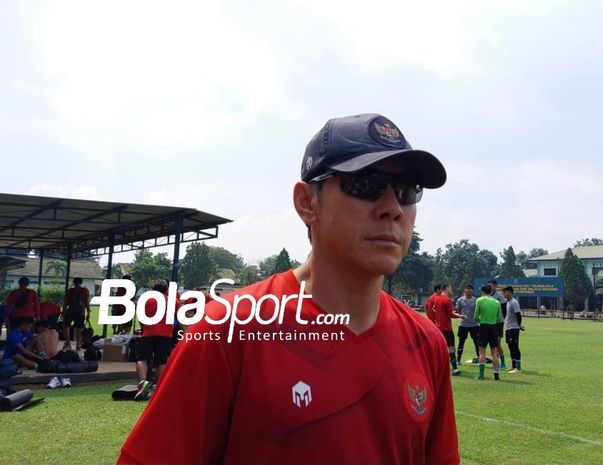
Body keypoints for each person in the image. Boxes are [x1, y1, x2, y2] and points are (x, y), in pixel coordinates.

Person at [118, 113, 458, 464]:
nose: (392, 208)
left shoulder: (426, 343)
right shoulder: (229, 330)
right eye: (365, 183)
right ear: (307, 202)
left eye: (407, 190)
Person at [133, 279, 178, 400]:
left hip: (148, 334)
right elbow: (180, 316)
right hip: (165, 335)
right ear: (166, 290)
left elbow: (141, 316)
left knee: (141, 359)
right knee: (161, 361)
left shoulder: (146, 299)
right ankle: (159, 388)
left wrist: (143, 329)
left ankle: (143, 384)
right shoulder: (172, 300)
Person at [433, 284, 464, 376]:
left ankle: (438, 369)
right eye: (450, 288)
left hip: (438, 328)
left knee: (440, 349)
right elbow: (450, 314)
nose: (451, 290)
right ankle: (455, 370)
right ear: (446, 289)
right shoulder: (447, 300)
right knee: (451, 348)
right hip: (447, 328)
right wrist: (460, 316)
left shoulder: (436, 299)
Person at [474, 285, 501, 381]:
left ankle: (481, 375)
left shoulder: (479, 300)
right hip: (493, 327)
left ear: (483, 292)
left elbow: (476, 316)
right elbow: (499, 318)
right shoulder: (497, 302)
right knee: (494, 352)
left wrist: (482, 319)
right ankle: (496, 375)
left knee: (482, 352)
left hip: (483, 326)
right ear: (491, 291)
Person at [61, 277, 90, 351]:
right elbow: (87, 303)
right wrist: (88, 313)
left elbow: (65, 303)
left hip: (70, 311)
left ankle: (67, 342)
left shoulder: (70, 291)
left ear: (73, 282)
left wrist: (63, 313)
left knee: (65, 326)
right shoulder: (85, 291)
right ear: (81, 283)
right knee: (79, 328)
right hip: (81, 312)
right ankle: (78, 345)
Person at [502, 286, 524, 373]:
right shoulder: (508, 302)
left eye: (505, 292)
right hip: (508, 328)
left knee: (515, 347)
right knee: (510, 346)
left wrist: (519, 325)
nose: (504, 294)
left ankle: (518, 368)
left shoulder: (514, 302)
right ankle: (513, 366)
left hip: (513, 328)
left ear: (510, 292)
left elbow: (518, 315)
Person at [455, 284, 479, 364]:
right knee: (461, 341)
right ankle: (458, 359)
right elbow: (457, 310)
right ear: (464, 290)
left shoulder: (476, 300)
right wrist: (461, 315)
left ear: (473, 291)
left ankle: (479, 358)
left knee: (477, 342)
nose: (469, 290)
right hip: (463, 324)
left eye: (470, 289)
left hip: (474, 325)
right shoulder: (460, 300)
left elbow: (478, 311)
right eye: (467, 289)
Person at [488, 278, 508, 370]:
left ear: (495, 285)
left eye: (491, 285)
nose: (489, 287)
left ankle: (502, 363)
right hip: (490, 322)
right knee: (493, 343)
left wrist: (500, 320)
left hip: (498, 323)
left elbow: (504, 310)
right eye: (488, 285)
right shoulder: (487, 295)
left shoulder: (499, 296)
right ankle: (496, 363)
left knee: (497, 343)